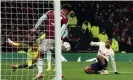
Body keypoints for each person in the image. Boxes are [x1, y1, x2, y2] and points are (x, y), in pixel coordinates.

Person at [30, 4, 71, 79]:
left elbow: (41, 19)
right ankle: (60, 73)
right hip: (57, 39)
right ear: (66, 10)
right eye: (68, 12)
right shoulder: (66, 18)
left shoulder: (51, 12)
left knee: (41, 54)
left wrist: (35, 28)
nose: (68, 14)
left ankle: (40, 73)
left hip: (49, 37)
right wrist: (60, 39)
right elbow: (63, 30)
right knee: (56, 56)